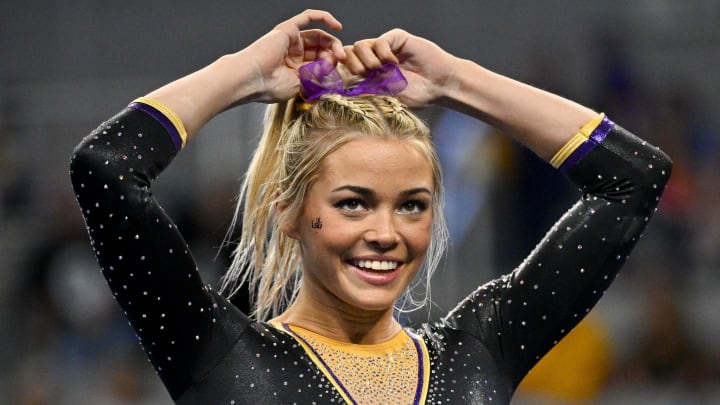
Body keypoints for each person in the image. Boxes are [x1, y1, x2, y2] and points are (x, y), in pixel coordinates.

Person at [69, 9, 672, 404]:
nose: (386, 233)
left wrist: (456, 82)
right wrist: (244, 73)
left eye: (412, 206)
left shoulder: (479, 350)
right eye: (354, 204)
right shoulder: (217, 351)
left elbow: (634, 177)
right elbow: (105, 169)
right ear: (287, 210)